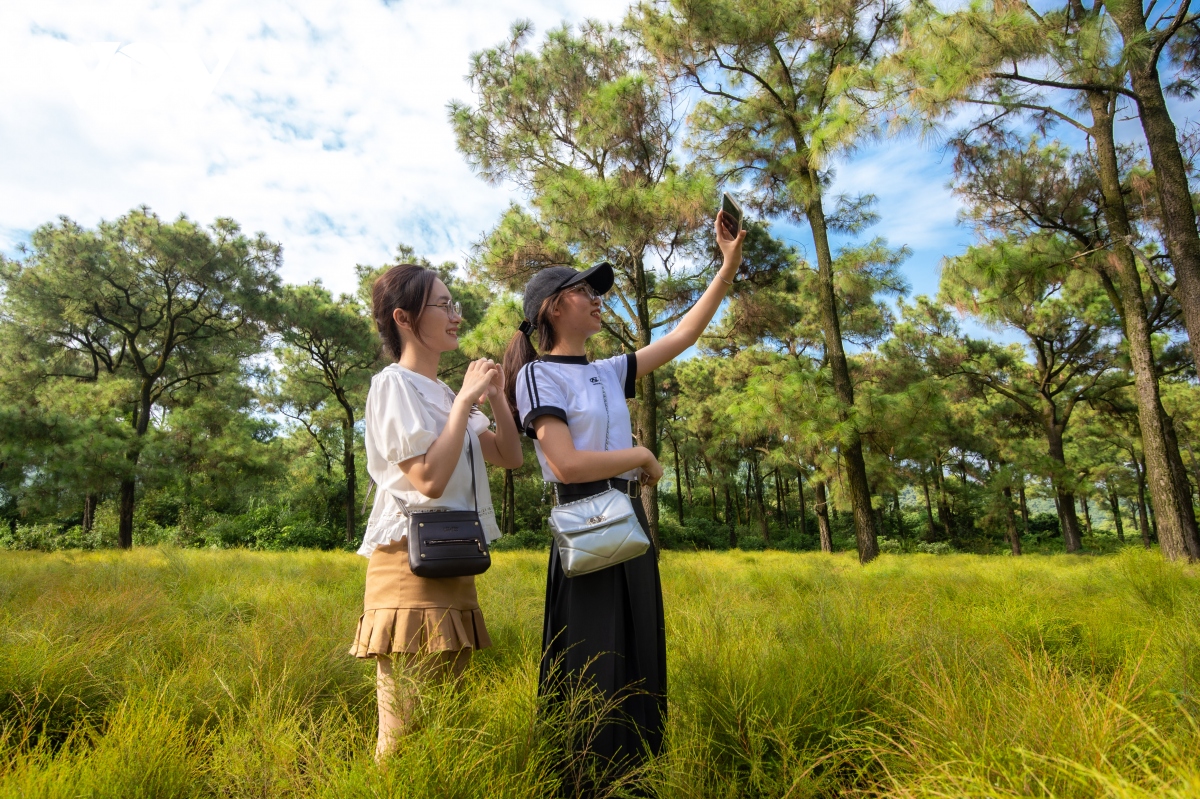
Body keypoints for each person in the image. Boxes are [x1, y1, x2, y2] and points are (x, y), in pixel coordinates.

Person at [503, 211, 746, 787]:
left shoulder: (609, 371)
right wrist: (640, 457)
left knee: (638, 644)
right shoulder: (538, 377)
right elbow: (564, 462)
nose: (596, 300)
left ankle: (636, 776)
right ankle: (582, 778)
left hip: (626, 519)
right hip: (585, 518)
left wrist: (728, 264)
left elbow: (685, 335)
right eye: (585, 292)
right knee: (592, 656)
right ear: (554, 307)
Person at [349, 263, 523, 761]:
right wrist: (465, 400)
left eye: (455, 305)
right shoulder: (393, 385)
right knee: (403, 735)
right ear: (403, 318)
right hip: (407, 565)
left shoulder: (448, 395)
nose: (455, 315)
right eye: (443, 305)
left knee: (444, 728)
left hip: (454, 561)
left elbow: (508, 456)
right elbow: (428, 479)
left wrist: (494, 399)